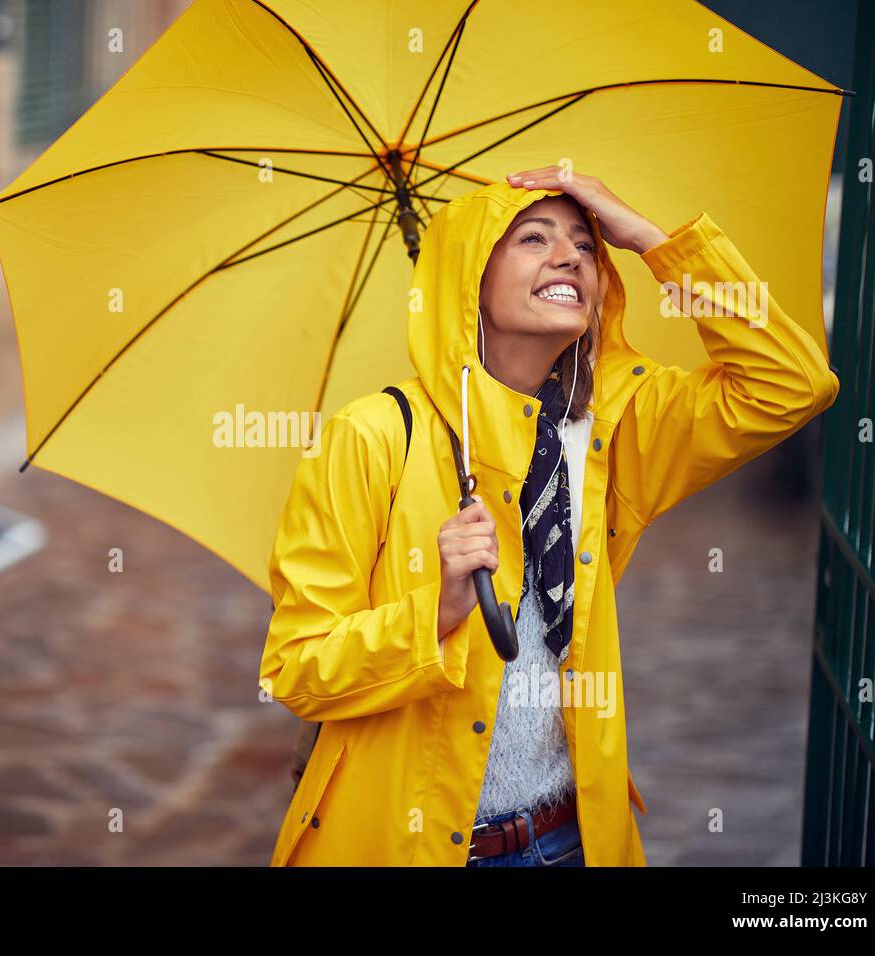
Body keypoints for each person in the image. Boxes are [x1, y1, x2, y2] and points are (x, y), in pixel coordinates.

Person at [258, 167, 840, 867]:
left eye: (585, 245)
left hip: (572, 840)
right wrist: (435, 610)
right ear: (470, 276)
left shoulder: (612, 430)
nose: (569, 256)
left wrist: (652, 241)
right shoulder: (373, 436)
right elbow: (295, 667)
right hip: (412, 846)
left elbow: (790, 385)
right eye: (532, 238)